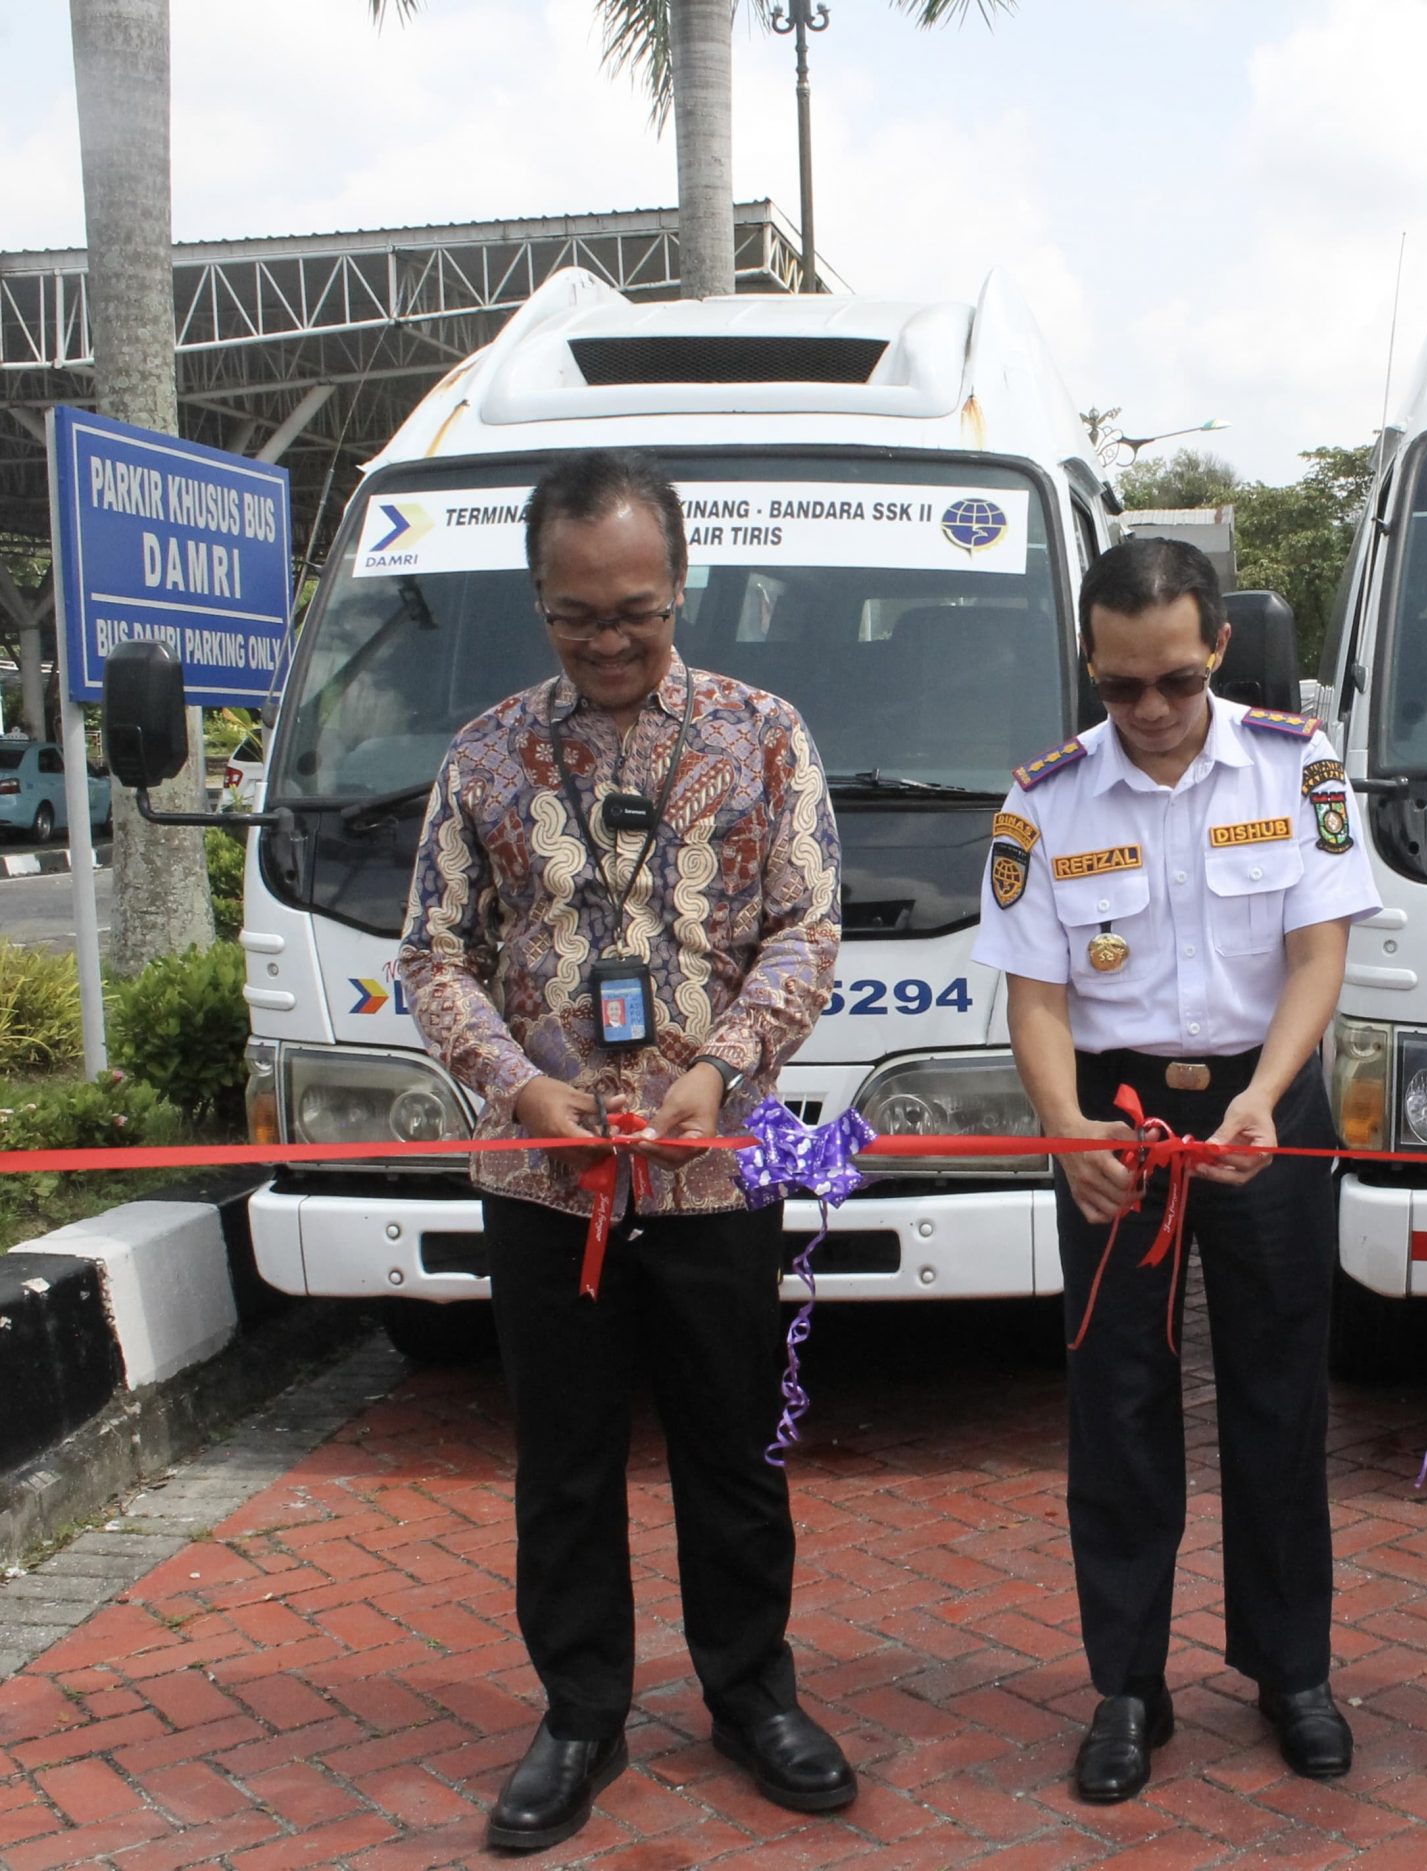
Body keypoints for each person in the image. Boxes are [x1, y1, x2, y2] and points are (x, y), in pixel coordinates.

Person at [397, 449, 853, 1852]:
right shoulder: (480, 757)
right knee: (568, 1461)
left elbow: (809, 927)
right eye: (576, 615)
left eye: (636, 612)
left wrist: (723, 1067)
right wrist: (519, 1086)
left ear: (682, 585)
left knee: (733, 1450)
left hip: (711, 1168)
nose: (608, 641)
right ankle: (580, 1712)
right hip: (550, 1180)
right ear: (536, 597)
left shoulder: (763, 734)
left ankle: (751, 1693)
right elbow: (431, 955)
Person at [972, 536, 1382, 1802]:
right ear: (1091, 666)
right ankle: (1127, 1689)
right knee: (1121, 1404)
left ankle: (1289, 1671)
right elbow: (1033, 994)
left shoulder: (1296, 761)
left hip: (1268, 1103)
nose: (1148, 711)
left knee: (1277, 1395)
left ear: (1216, 650)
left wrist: (1265, 1092)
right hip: (1114, 1118)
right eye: (1119, 686)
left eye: (1172, 680)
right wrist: (1066, 1128)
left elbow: (1318, 953)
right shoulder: (1043, 798)